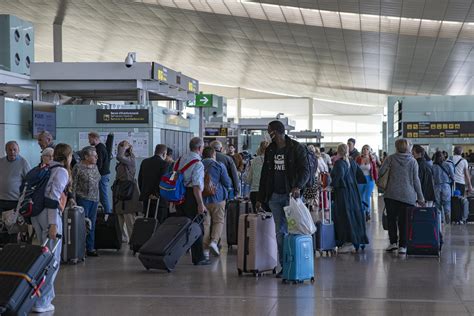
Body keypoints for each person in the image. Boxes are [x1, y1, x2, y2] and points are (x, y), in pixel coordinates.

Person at [257, 120, 310, 277]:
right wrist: (260, 197)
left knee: (294, 230)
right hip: (274, 196)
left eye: (269, 131)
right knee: (280, 232)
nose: (268, 134)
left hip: (290, 197)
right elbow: (265, 175)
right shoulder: (270, 150)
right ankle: (285, 266)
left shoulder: (295, 148)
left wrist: (298, 186)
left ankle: (295, 263)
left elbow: (305, 171)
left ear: (276, 131)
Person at [30, 143, 71, 313]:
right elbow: (53, 197)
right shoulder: (61, 171)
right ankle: (43, 301)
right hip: (49, 216)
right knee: (52, 261)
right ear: (67, 156)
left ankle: (40, 297)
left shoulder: (46, 168)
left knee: (44, 257)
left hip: (37, 216)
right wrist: (54, 224)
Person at [379, 139, 424, 255]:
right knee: (404, 222)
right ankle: (403, 246)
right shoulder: (413, 161)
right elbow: (416, 180)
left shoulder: (390, 158)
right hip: (408, 196)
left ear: (396, 147)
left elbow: (381, 172)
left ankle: (393, 243)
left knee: (391, 220)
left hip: (391, 194)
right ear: (407, 147)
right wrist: (420, 197)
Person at [175, 137, 209, 265]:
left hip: (179, 195)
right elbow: (196, 186)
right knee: (197, 227)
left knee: (182, 226)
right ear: (200, 148)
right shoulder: (198, 164)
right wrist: (200, 204)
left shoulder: (180, 159)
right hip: (191, 196)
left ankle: (175, 253)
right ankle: (198, 258)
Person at [330, 144, 369, 253]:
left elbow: (339, 178)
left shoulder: (339, 163)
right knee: (355, 215)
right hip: (354, 193)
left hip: (343, 193)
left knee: (344, 216)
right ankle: (358, 240)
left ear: (338, 152)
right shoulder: (352, 162)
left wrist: (331, 186)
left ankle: (348, 242)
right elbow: (361, 176)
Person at [201, 147, 232, 260]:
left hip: (202, 199)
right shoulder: (219, 165)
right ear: (213, 154)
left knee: (206, 224)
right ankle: (214, 242)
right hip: (217, 198)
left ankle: (205, 252)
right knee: (218, 221)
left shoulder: (199, 165)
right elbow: (227, 182)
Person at [71, 146, 101, 257]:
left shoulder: (95, 167)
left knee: (92, 224)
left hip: (94, 199)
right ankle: (79, 248)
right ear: (86, 156)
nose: (96, 157)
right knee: (83, 224)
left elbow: (98, 182)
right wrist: (72, 198)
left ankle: (90, 247)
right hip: (82, 198)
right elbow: (73, 184)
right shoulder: (78, 167)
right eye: (94, 155)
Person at [113, 140, 141, 243]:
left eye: (121, 147)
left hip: (129, 191)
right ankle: (123, 239)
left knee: (129, 217)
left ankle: (133, 240)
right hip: (120, 190)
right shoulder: (122, 161)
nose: (119, 149)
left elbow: (119, 156)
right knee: (119, 215)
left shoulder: (131, 159)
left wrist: (124, 147)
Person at [138, 144, 170, 223]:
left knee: (147, 224)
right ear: (164, 153)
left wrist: (145, 193)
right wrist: (156, 193)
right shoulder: (165, 164)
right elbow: (163, 181)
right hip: (159, 201)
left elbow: (140, 180)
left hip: (146, 198)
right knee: (159, 225)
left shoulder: (145, 162)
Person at [0, 141, 31, 215]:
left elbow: (29, 181)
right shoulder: (1, 162)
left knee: (13, 225)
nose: (12, 152)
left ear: (18, 150)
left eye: (14, 149)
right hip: (1, 199)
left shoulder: (24, 163)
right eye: (9, 150)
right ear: (6, 151)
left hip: (15, 201)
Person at [88, 132, 112, 214]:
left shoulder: (99, 148)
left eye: (90, 139)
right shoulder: (101, 146)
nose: (89, 141)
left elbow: (99, 164)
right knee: (103, 195)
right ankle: (107, 212)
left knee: (103, 196)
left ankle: (108, 214)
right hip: (104, 174)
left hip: (102, 175)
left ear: (95, 138)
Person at [355, 145, 378, 221]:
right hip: (360, 179)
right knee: (361, 196)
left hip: (370, 179)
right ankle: (362, 212)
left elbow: (374, 170)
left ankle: (367, 212)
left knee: (367, 196)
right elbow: (355, 169)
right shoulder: (358, 159)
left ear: (369, 150)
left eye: (367, 149)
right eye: (364, 149)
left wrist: (376, 179)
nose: (365, 150)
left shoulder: (372, 159)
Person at [432, 151, 454, 223]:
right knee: (447, 202)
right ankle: (447, 215)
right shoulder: (448, 164)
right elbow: (453, 176)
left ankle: (439, 219)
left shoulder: (433, 166)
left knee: (438, 204)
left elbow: (432, 177)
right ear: (443, 156)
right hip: (446, 185)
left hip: (437, 186)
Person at [246, 141, 269, 210]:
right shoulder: (272, 160)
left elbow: (248, 180)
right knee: (269, 218)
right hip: (268, 192)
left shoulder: (254, 161)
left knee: (256, 218)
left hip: (255, 192)